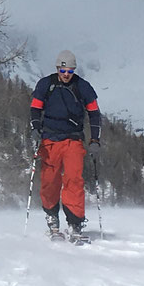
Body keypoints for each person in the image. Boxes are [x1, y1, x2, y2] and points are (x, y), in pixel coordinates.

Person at [30, 50, 100, 242]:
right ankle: (52, 217)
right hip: (50, 139)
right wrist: (35, 128)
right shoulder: (46, 85)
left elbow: (94, 114)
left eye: (70, 70)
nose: (66, 74)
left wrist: (95, 140)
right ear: (57, 68)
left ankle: (75, 223)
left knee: (74, 180)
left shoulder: (82, 87)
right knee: (50, 180)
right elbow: (35, 108)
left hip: (73, 140)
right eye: (63, 70)